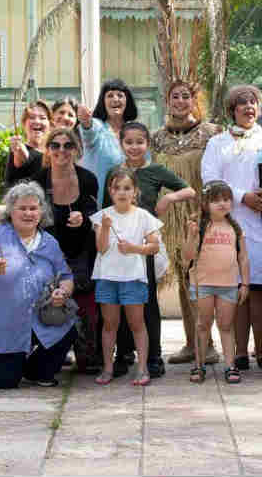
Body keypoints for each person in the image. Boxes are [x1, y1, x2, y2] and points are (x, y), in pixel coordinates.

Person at [201, 85, 262, 372]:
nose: (249, 107)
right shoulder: (217, 144)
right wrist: (242, 196)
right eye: (242, 103)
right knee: (236, 289)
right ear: (232, 110)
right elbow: (209, 179)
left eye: (253, 102)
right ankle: (240, 352)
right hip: (232, 226)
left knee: (261, 290)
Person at [0, 182, 77, 388]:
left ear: (41, 212)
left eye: (33, 208)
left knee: (69, 327)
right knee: (4, 382)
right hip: (2, 326)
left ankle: (36, 370)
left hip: (38, 316)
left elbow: (66, 276)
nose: (28, 213)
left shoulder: (49, 242)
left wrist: (63, 292)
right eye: (22, 208)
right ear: (11, 212)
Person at [150, 79, 223, 367]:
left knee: (201, 276)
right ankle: (191, 343)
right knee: (182, 277)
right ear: (167, 100)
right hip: (170, 216)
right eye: (174, 96)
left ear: (194, 100)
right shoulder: (156, 137)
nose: (180, 101)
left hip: (198, 213)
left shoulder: (211, 133)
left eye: (185, 96)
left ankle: (209, 343)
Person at [117, 122, 195, 378]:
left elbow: (189, 190)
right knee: (122, 300)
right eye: (129, 142)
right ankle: (124, 353)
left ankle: (153, 356)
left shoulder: (155, 171)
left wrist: (169, 198)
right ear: (121, 144)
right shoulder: (115, 173)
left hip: (145, 246)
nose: (134, 147)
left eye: (139, 141)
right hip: (120, 248)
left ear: (147, 145)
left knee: (148, 300)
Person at [31, 127, 100, 374]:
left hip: (81, 251)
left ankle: (87, 352)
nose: (62, 151)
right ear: (48, 150)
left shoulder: (88, 178)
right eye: (55, 145)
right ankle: (53, 352)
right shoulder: (39, 180)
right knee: (48, 302)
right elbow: (31, 218)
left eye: (67, 145)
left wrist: (85, 218)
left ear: (76, 149)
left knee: (85, 305)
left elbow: (95, 214)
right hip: (48, 255)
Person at [91, 167, 164, 386]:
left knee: (137, 324)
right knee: (109, 324)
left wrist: (134, 248)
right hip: (107, 278)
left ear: (135, 191)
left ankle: (142, 369)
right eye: (117, 188)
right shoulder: (102, 216)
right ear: (110, 191)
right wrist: (104, 228)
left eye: (127, 188)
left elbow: (154, 247)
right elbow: (101, 248)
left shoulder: (143, 216)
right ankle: (107, 367)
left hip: (133, 278)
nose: (122, 192)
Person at [180, 181, 249, 384]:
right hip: (203, 284)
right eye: (216, 200)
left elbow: (243, 257)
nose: (222, 204)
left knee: (226, 325)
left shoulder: (235, 228)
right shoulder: (197, 224)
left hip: (228, 285)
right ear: (205, 203)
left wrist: (245, 283)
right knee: (203, 325)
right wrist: (192, 236)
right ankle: (198, 364)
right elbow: (187, 256)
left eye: (226, 199)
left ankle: (230, 365)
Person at [77, 79, 137, 205]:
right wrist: (86, 123)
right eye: (110, 95)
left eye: (120, 95)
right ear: (103, 102)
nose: (115, 99)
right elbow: (88, 134)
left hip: (129, 203)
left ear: (127, 101)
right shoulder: (97, 126)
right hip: (99, 203)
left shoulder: (135, 130)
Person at [6, 100, 51, 184]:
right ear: (24, 123)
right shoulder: (19, 149)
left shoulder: (54, 151)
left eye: (42, 118)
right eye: (32, 117)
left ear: (50, 124)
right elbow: (22, 158)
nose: (37, 121)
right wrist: (18, 150)